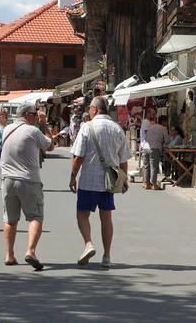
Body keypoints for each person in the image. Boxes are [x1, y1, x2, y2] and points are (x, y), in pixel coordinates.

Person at [69, 96, 131, 268]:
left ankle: (88, 244)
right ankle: (107, 256)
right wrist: (123, 180)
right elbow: (123, 159)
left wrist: (73, 176)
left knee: (82, 214)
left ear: (95, 109)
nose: (88, 111)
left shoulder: (87, 128)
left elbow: (78, 156)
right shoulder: (117, 129)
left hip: (88, 180)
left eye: (89, 107)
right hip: (109, 182)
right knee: (106, 217)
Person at [0, 103, 54, 270]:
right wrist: (44, 124)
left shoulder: (7, 129)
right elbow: (50, 146)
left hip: (7, 179)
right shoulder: (33, 131)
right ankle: (30, 251)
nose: (37, 117)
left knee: (10, 219)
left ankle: (9, 255)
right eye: (35, 114)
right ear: (28, 115)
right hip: (28, 179)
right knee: (35, 217)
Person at [142, 115, 169, 190]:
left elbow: (146, 136)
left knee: (146, 166)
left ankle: (147, 183)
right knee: (154, 166)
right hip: (155, 147)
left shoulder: (151, 127)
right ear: (163, 121)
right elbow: (167, 139)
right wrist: (163, 143)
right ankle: (154, 184)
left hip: (145, 147)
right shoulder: (163, 128)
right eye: (166, 121)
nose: (167, 123)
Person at [140, 107, 156, 189]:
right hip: (147, 145)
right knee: (148, 165)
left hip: (148, 145)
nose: (154, 116)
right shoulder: (146, 122)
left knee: (147, 165)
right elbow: (147, 133)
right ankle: (146, 182)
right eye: (153, 114)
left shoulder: (150, 122)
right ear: (148, 114)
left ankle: (146, 182)